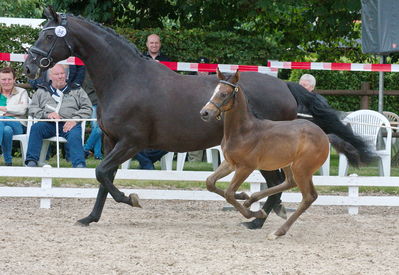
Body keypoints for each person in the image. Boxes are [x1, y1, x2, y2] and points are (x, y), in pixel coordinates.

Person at [25, 64, 92, 168]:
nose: (60, 76)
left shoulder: (76, 90)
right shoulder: (42, 90)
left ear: (66, 75)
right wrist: (47, 115)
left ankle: (79, 165)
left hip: (70, 123)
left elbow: (87, 108)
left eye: (62, 74)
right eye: (57, 74)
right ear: (50, 76)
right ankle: (31, 161)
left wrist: (75, 120)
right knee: (36, 128)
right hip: (48, 123)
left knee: (74, 135)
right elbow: (32, 108)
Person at [131, 34, 170, 169]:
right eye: (151, 43)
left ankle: (146, 162)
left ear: (160, 44)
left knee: (170, 137)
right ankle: (147, 163)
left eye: (156, 43)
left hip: (162, 101)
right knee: (131, 135)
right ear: (147, 44)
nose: (154, 45)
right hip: (142, 101)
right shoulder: (139, 59)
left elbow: (171, 81)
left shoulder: (167, 60)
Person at [0, 67, 29, 166]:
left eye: (9, 79)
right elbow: (18, 109)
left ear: (14, 79)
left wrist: (4, 109)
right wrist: (12, 111)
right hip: (4, 125)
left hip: (19, 124)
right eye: (3, 79)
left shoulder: (22, 92)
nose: (6, 82)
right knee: (6, 130)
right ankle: (8, 162)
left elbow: (22, 110)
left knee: (1, 120)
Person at [188, 57, 211, 162]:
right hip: (194, 119)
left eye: (205, 69)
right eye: (200, 69)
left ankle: (209, 160)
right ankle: (194, 160)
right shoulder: (189, 82)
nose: (202, 72)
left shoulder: (215, 83)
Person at [83, 73, 103, 160]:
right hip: (93, 101)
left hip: (102, 102)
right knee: (98, 127)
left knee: (98, 127)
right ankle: (89, 150)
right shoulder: (89, 70)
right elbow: (92, 85)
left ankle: (95, 153)